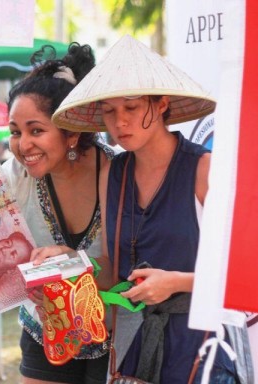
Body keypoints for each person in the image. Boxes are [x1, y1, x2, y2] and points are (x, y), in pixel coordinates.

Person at [53, 34, 242, 383]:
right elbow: (112, 268)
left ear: (162, 104)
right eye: (109, 112)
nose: (119, 122)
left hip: (205, 349)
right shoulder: (115, 173)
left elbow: (246, 276)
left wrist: (177, 283)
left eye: (132, 108)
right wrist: (69, 262)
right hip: (141, 350)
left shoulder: (204, 169)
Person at [0, 43, 114, 384]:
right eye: (15, 132)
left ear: (72, 131)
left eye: (36, 130)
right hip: (45, 328)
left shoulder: (116, 172)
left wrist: (73, 262)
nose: (22, 144)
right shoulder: (14, 175)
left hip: (115, 332)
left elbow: (127, 266)